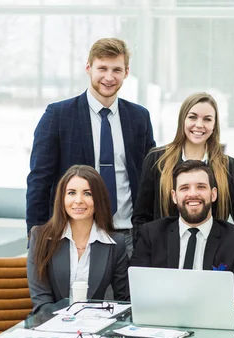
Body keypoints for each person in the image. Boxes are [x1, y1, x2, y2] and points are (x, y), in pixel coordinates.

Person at [26, 38, 156, 256]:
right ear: (88, 68)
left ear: (126, 72)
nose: (109, 77)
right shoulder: (58, 116)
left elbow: (149, 179)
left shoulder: (139, 117)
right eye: (102, 68)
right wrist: (36, 235)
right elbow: (39, 179)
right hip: (74, 233)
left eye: (116, 69)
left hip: (128, 234)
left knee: (129, 292)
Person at [131, 160, 234, 309]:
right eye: (184, 188)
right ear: (174, 196)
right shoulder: (151, 235)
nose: (192, 194)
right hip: (162, 320)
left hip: (215, 320)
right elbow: (137, 282)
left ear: (213, 194)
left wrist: (228, 304)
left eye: (201, 187)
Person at [132, 92, 234, 242]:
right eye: (193, 117)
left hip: (212, 257)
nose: (199, 124)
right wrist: (145, 255)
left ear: (214, 125)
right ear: (182, 120)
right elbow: (142, 217)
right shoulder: (157, 160)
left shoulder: (229, 167)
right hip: (163, 257)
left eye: (207, 119)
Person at [27, 165, 130, 314]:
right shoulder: (41, 237)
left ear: (98, 199)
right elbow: (42, 303)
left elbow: (124, 301)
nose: (78, 200)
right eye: (71, 193)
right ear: (62, 198)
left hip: (94, 329)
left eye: (87, 193)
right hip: (50, 326)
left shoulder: (116, 244)